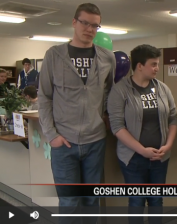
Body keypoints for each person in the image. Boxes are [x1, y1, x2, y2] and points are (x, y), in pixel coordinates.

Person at [37, 3, 115, 224]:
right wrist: (51, 135)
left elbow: (110, 92)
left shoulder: (106, 57)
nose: (90, 29)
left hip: (95, 141)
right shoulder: (54, 55)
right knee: (69, 203)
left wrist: (108, 118)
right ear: (74, 22)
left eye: (95, 26)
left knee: (92, 201)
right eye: (85, 23)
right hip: (64, 142)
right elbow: (44, 97)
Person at [107, 44, 177, 224]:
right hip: (133, 158)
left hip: (160, 157)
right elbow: (117, 127)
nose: (157, 68)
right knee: (137, 200)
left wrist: (168, 145)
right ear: (139, 66)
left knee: (156, 199)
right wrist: (142, 150)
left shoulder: (162, 88)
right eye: (153, 64)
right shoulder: (120, 90)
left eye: (157, 64)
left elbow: (173, 118)